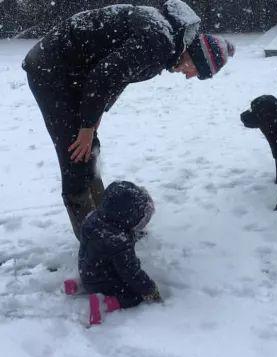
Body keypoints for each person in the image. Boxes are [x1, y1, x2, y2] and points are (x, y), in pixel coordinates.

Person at [22, 0, 235, 240]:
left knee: (90, 150)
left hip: (75, 67)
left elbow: (118, 75)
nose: (189, 77)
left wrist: (95, 116)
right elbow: (103, 76)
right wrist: (86, 126)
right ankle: (94, 242)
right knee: (75, 153)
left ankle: (107, 223)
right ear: (195, 56)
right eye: (198, 72)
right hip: (51, 68)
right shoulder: (158, 45)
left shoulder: (163, 39)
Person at [77, 181, 160, 322]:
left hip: (86, 270)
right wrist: (149, 289)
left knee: (95, 267)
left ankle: (76, 284)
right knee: (132, 296)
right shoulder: (119, 241)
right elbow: (131, 273)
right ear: (128, 217)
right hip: (102, 282)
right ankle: (103, 303)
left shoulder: (94, 218)